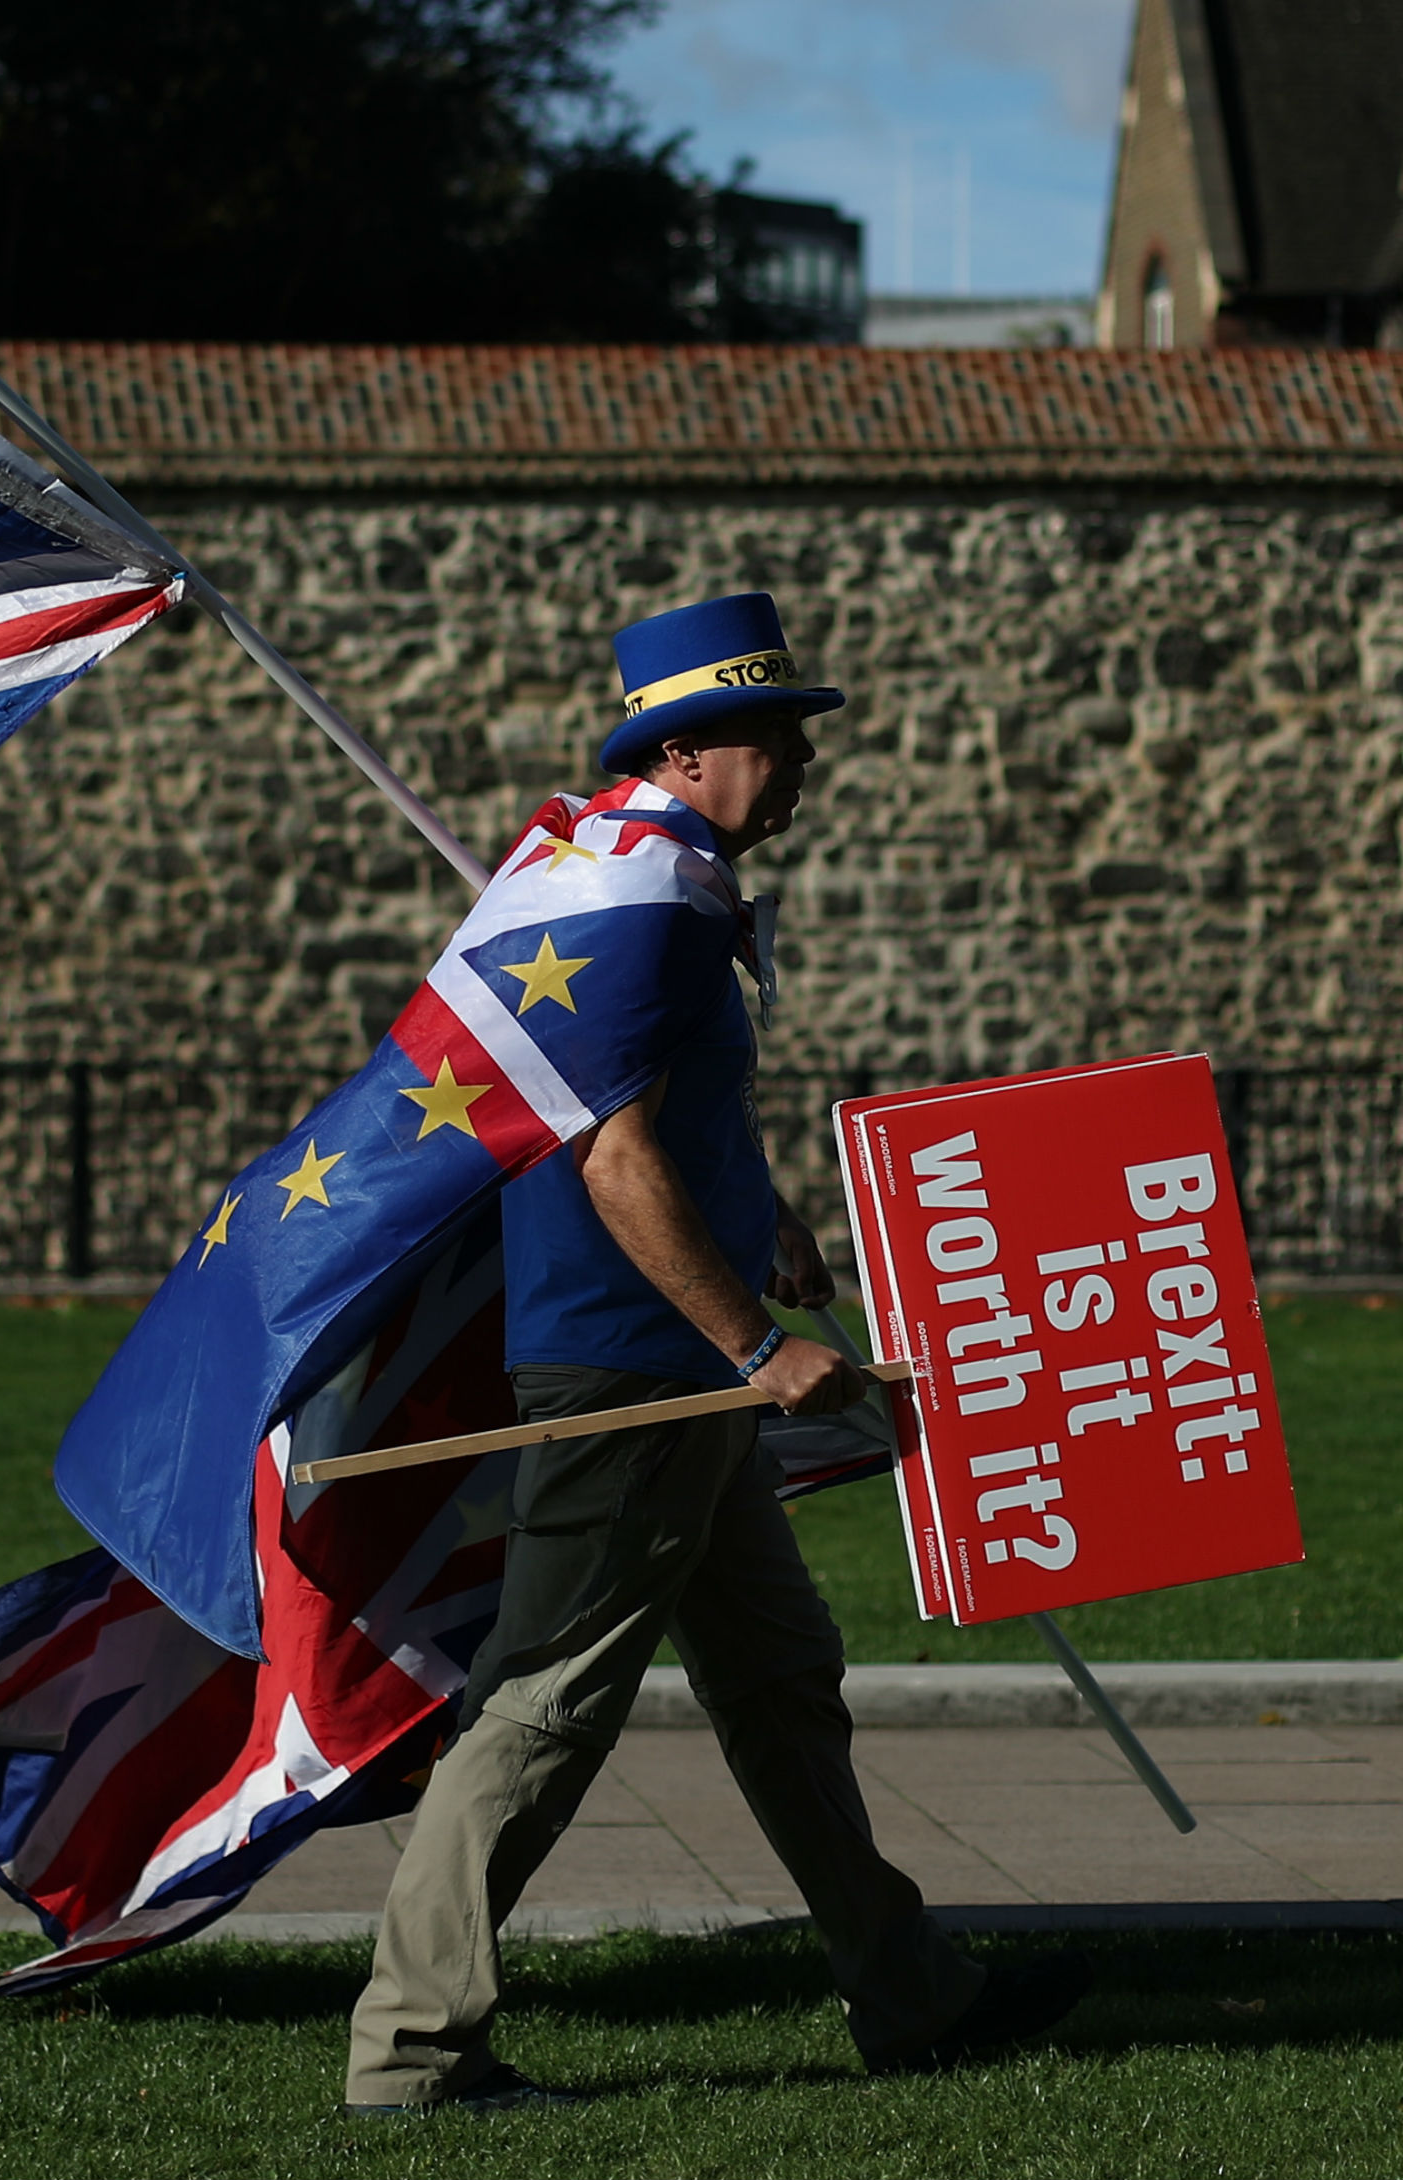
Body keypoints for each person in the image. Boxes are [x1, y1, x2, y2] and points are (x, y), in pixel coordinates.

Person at [344, 593, 1087, 2115]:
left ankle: (913, 1992)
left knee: (778, 1680)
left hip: (660, 1351)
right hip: (644, 1366)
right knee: (546, 1700)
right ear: (684, 751)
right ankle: (411, 2053)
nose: (801, 764)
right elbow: (613, 1157)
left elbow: (651, 1116)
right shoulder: (655, 900)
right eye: (773, 737)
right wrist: (755, 1344)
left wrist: (763, 1225)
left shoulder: (615, 867)